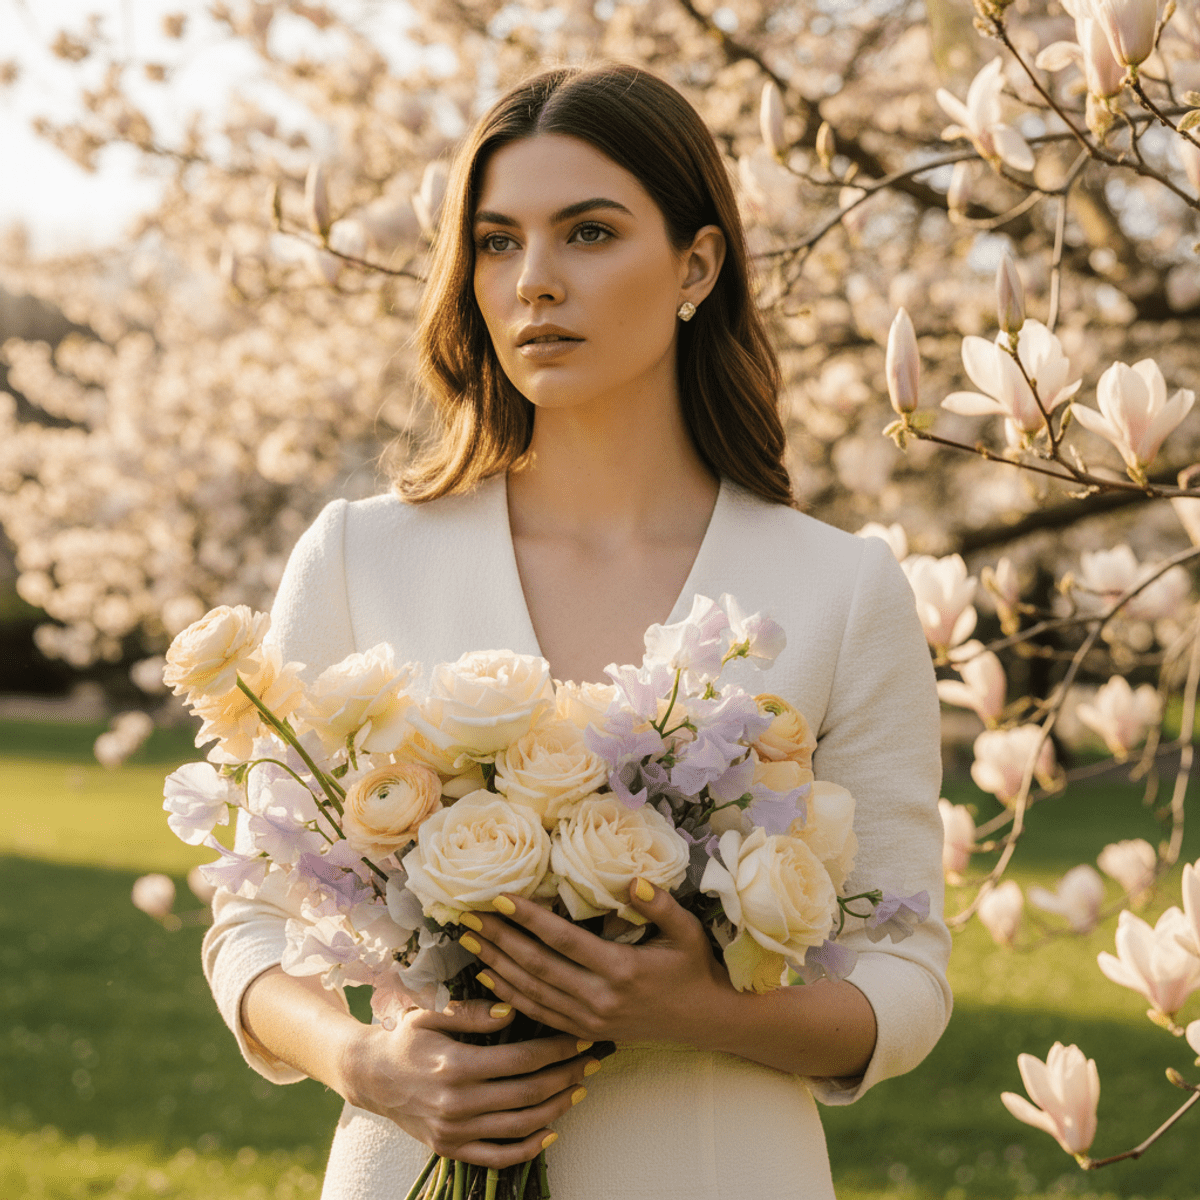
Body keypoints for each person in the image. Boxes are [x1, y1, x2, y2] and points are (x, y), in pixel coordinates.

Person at [202, 63, 952, 1199]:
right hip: (408, 1166)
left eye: (589, 233)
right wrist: (367, 1064)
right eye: (497, 243)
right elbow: (249, 923)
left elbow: (908, 978)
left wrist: (699, 1012)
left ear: (696, 264)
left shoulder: (842, 589)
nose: (534, 282)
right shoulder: (360, 554)